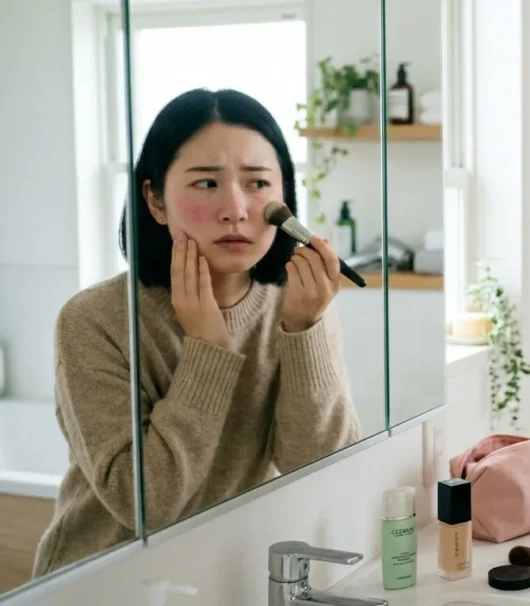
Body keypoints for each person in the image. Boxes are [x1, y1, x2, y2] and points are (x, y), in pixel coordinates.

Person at [34, 88, 361, 577]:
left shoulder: (299, 305)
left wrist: (303, 330)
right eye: (206, 183)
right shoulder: (93, 321)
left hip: (222, 575)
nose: (235, 208)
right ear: (155, 200)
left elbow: (319, 468)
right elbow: (146, 507)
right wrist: (207, 349)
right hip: (100, 584)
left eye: (257, 183)